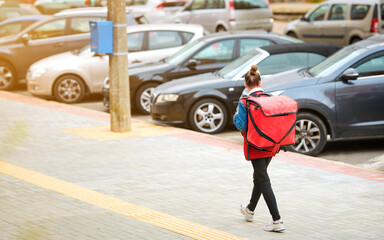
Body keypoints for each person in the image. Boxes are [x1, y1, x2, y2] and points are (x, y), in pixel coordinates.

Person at [233, 65, 285, 232]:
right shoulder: (270, 98)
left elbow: (241, 125)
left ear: (245, 85)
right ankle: (250, 209)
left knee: (263, 179)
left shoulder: (245, 102)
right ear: (260, 82)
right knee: (259, 176)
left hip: (255, 145)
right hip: (271, 144)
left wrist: (235, 116)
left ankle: (276, 219)